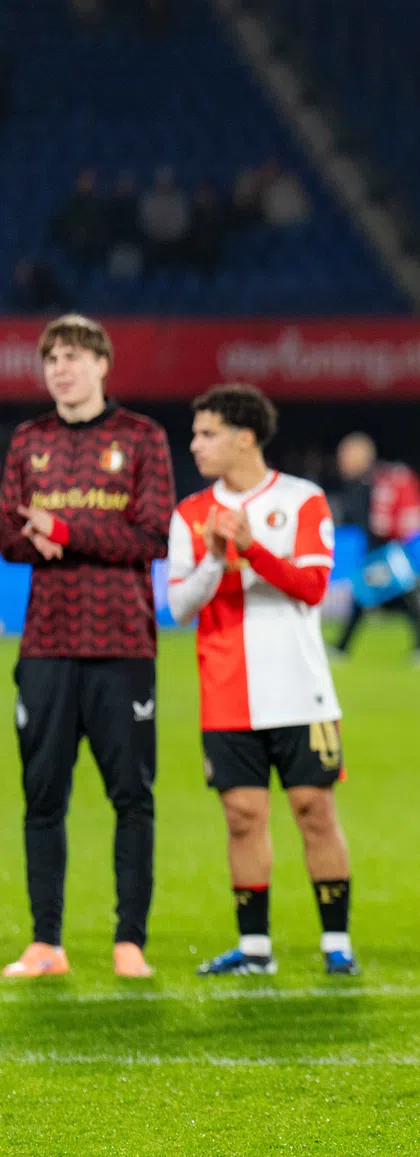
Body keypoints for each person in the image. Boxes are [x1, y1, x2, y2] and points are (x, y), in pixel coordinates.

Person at [0, 314, 173, 979]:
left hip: (121, 642)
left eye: (73, 357)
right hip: (44, 643)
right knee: (42, 796)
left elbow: (153, 533)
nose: (61, 370)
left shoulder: (141, 439)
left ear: (103, 364)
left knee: (131, 797)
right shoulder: (28, 440)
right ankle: (47, 943)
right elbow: (9, 531)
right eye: (51, 360)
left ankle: (130, 941)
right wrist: (29, 538)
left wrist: (65, 529)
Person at [164, 385, 357, 976]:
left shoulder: (303, 501)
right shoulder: (191, 514)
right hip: (226, 690)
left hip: (301, 687)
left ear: (244, 437)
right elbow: (179, 606)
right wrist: (217, 559)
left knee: (313, 809)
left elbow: (313, 588)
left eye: (207, 433)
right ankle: (254, 949)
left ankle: (336, 945)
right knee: (242, 815)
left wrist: (254, 548)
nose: (194, 444)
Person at [331, 433, 420, 665]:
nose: (342, 461)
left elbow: (387, 520)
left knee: (396, 597)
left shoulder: (379, 482)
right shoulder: (360, 484)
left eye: (347, 455)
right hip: (375, 553)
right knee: (371, 598)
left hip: (386, 553)